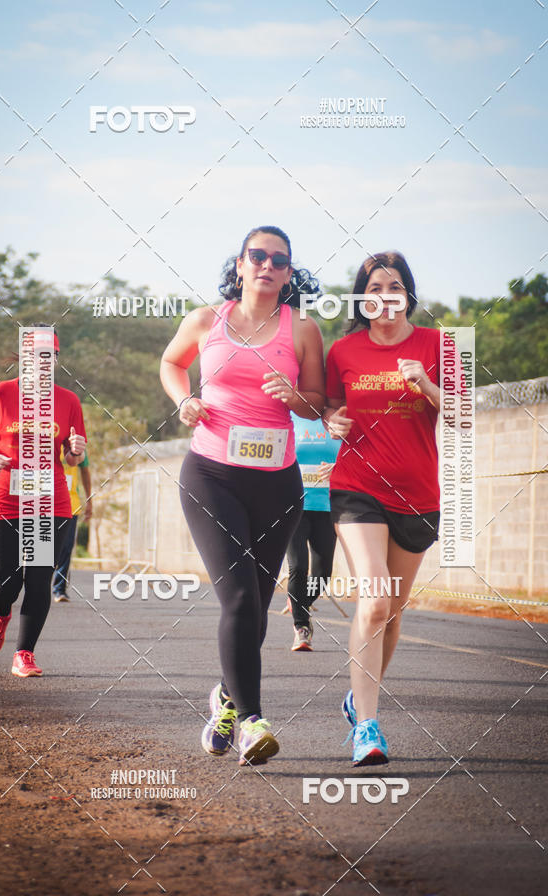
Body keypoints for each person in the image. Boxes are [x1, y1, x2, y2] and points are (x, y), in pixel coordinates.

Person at [160, 225, 325, 765]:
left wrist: (296, 396)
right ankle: (253, 721)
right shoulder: (206, 320)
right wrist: (184, 400)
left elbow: (318, 402)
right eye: (257, 255)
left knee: (256, 605)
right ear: (240, 263)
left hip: (277, 481)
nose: (267, 265)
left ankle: (226, 701)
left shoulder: (304, 330)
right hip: (212, 474)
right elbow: (171, 363)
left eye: (279, 259)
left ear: (289, 272)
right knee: (237, 598)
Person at [324, 251, 441, 766]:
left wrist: (428, 386)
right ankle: (368, 728)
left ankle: (358, 698)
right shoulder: (343, 350)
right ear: (362, 299)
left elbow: (465, 414)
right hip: (357, 489)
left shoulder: (438, 344)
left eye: (395, 287)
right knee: (373, 602)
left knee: (391, 612)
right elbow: (330, 406)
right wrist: (331, 420)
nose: (385, 297)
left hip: (418, 496)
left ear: (408, 296)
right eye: (375, 288)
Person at [0, 326, 87, 677]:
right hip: (4, 498)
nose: (43, 363)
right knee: (5, 581)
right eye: (37, 356)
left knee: (38, 578)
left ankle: (24, 653)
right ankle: (0, 613)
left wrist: (76, 451)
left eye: (50, 356)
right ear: (24, 359)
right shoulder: (2, 393)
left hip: (49, 501)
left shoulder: (68, 400)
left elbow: (72, 457)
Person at [285, 412, 339, 651]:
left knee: (322, 574)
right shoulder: (290, 418)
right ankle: (301, 627)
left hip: (327, 508)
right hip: (294, 507)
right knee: (297, 566)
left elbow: (359, 455)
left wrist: (339, 468)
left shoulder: (338, 417)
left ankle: (298, 601)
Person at [52, 448, 92, 602]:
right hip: (43, 503)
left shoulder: (76, 444)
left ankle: (59, 589)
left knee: (66, 548)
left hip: (70, 504)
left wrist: (89, 500)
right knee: (43, 550)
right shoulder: (41, 441)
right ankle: (37, 587)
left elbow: (85, 472)